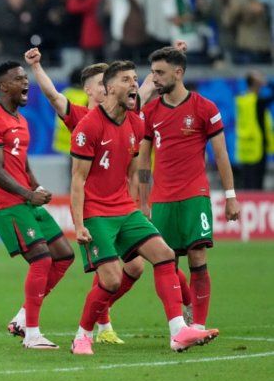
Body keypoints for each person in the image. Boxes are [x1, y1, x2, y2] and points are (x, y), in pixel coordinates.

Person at [69, 60, 218, 355]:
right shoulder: (88, 126)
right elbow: (77, 179)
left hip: (125, 209)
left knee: (164, 254)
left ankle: (178, 332)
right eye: (126, 79)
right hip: (97, 212)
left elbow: (134, 172)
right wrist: (78, 225)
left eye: (135, 79)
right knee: (110, 280)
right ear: (110, 88)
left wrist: (140, 206)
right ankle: (82, 336)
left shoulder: (137, 123)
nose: (134, 84)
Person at [24, 47, 146, 344]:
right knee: (111, 268)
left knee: (136, 265)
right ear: (91, 89)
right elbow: (53, 95)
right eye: (103, 81)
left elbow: (147, 87)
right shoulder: (80, 116)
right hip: (94, 205)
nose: (110, 85)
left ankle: (102, 317)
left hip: (121, 204)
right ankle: (97, 326)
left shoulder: (127, 117)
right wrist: (37, 67)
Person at [139, 47, 241, 333]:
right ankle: (179, 320)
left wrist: (231, 197)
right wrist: (144, 201)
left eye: (160, 73)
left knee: (197, 255)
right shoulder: (150, 112)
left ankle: (198, 323)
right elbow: (144, 160)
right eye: (153, 72)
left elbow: (221, 155)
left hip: (195, 196)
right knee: (165, 262)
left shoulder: (204, 108)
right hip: (162, 199)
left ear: (178, 73)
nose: (155, 78)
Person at [0, 61, 76, 350]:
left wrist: (37, 187)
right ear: (3, 86)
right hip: (5, 204)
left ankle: (23, 316)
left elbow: (21, 163)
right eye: (19, 79)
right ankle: (32, 334)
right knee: (41, 259)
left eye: (26, 78)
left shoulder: (21, 120)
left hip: (24, 199)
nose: (26, 83)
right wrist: (27, 194)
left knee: (64, 255)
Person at [234, 70, 274, 189]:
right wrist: (267, 83)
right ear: (257, 83)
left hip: (245, 147)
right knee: (256, 184)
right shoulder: (257, 101)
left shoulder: (242, 99)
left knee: (247, 183)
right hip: (257, 147)